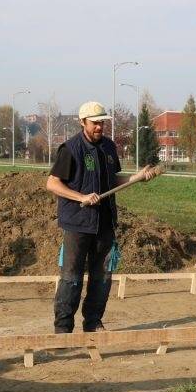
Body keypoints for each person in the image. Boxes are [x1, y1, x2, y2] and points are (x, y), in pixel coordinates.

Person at [46, 101, 156, 333]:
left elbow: (112, 181)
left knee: (103, 277)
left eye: (102, 123)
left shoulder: (108, 147)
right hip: (78, 224)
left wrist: (136, 178)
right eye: (95, 123)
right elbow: (53, 183)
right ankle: (63, 328)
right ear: (83, 122)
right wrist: (80, 197)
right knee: (71, 278)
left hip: (105, 223)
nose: (99, 127)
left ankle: (93, 322)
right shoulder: (70, 149)